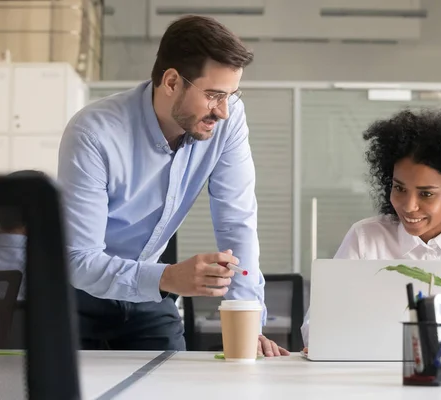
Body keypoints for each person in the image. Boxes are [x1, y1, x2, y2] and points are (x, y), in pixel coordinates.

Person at [58, 15, 288, 356]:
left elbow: (236, 220)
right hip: (79, 295)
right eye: (213, 95)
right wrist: (168, 278)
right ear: (170, 82)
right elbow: (79, 259)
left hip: (149, 294)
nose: (223, 111)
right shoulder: (94, 134)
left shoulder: (229, 119)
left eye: (230, 95)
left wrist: (247, 320)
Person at [301, 110, 441, 355]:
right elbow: (316, 330)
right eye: (399, 188)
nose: (408, 206)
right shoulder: (366, 238)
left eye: (426, 194)